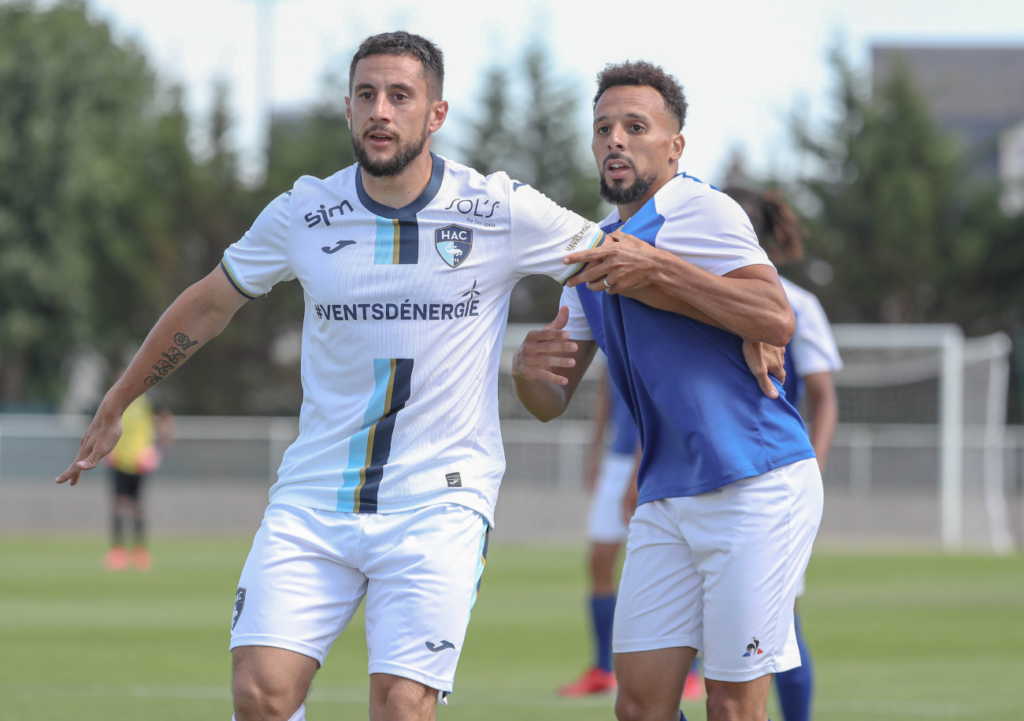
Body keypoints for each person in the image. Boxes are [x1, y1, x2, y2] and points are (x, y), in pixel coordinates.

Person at [56, 32, 783, 721]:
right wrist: (120, 397)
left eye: (400, 96)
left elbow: (625, 261)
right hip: (314, 497)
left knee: (402, 705)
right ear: (347, 108)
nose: (380, 110)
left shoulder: (497, 207)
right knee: (260, 693)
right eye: (365, 94)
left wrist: (747, 321)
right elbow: (210, 302)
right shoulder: (305, 212)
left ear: (435, 113)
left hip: (440, 503)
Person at [512, 60, 823, 721]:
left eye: (635, 126)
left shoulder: (701, 211)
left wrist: (659, 266)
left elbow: (775, 318)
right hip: (664, 495)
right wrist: (527, 372)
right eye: (603, 128)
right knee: (640, 706)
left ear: (674, 145)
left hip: (757, 484)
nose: (615, 140)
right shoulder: (589, 249)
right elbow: (549, 400)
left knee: (733, 704)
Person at [724, 186, 842, 721]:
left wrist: (810, 475)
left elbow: (823, 399)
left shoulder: (798, 304)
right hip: (705, 479)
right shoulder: (695, 295)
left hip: (772, 480)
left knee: (777, 621)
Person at [559, 367, 638, 697]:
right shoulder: (610, 319)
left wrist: (638, 472)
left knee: (672, 566)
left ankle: (689, 672)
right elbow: (606, 392)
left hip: (657, 460)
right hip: (616, 460)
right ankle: (604, 669)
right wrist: (596, 453)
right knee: (599, 563)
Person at [103, 366, 175, 572]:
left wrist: (159, 452)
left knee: (137, 505)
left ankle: (140, 551)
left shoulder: (147, 401)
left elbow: (167, 423)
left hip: (139, 462)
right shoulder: (113, 403)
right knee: (117, 504)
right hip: (118, 461)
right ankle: (117, 551)